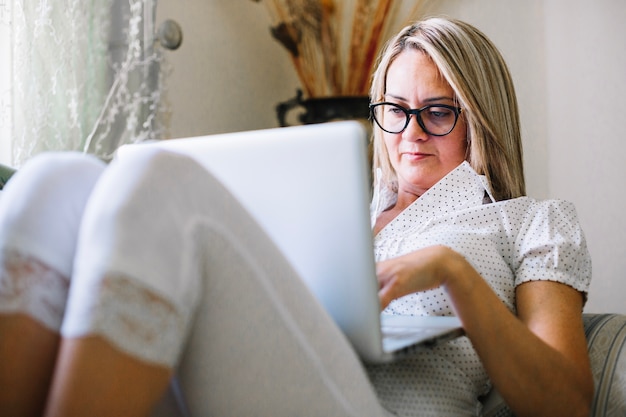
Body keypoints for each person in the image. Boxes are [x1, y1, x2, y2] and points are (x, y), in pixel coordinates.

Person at [0, 17, 593, 417]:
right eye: (395, 109)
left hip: (374, 406)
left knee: (161, 180)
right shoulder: (332, 206)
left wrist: (452, 273)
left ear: (481, 118)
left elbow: (567, 400)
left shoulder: (528, 221)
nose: (410, 132)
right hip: (275, 369)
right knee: (58, 178)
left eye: (437, 112)